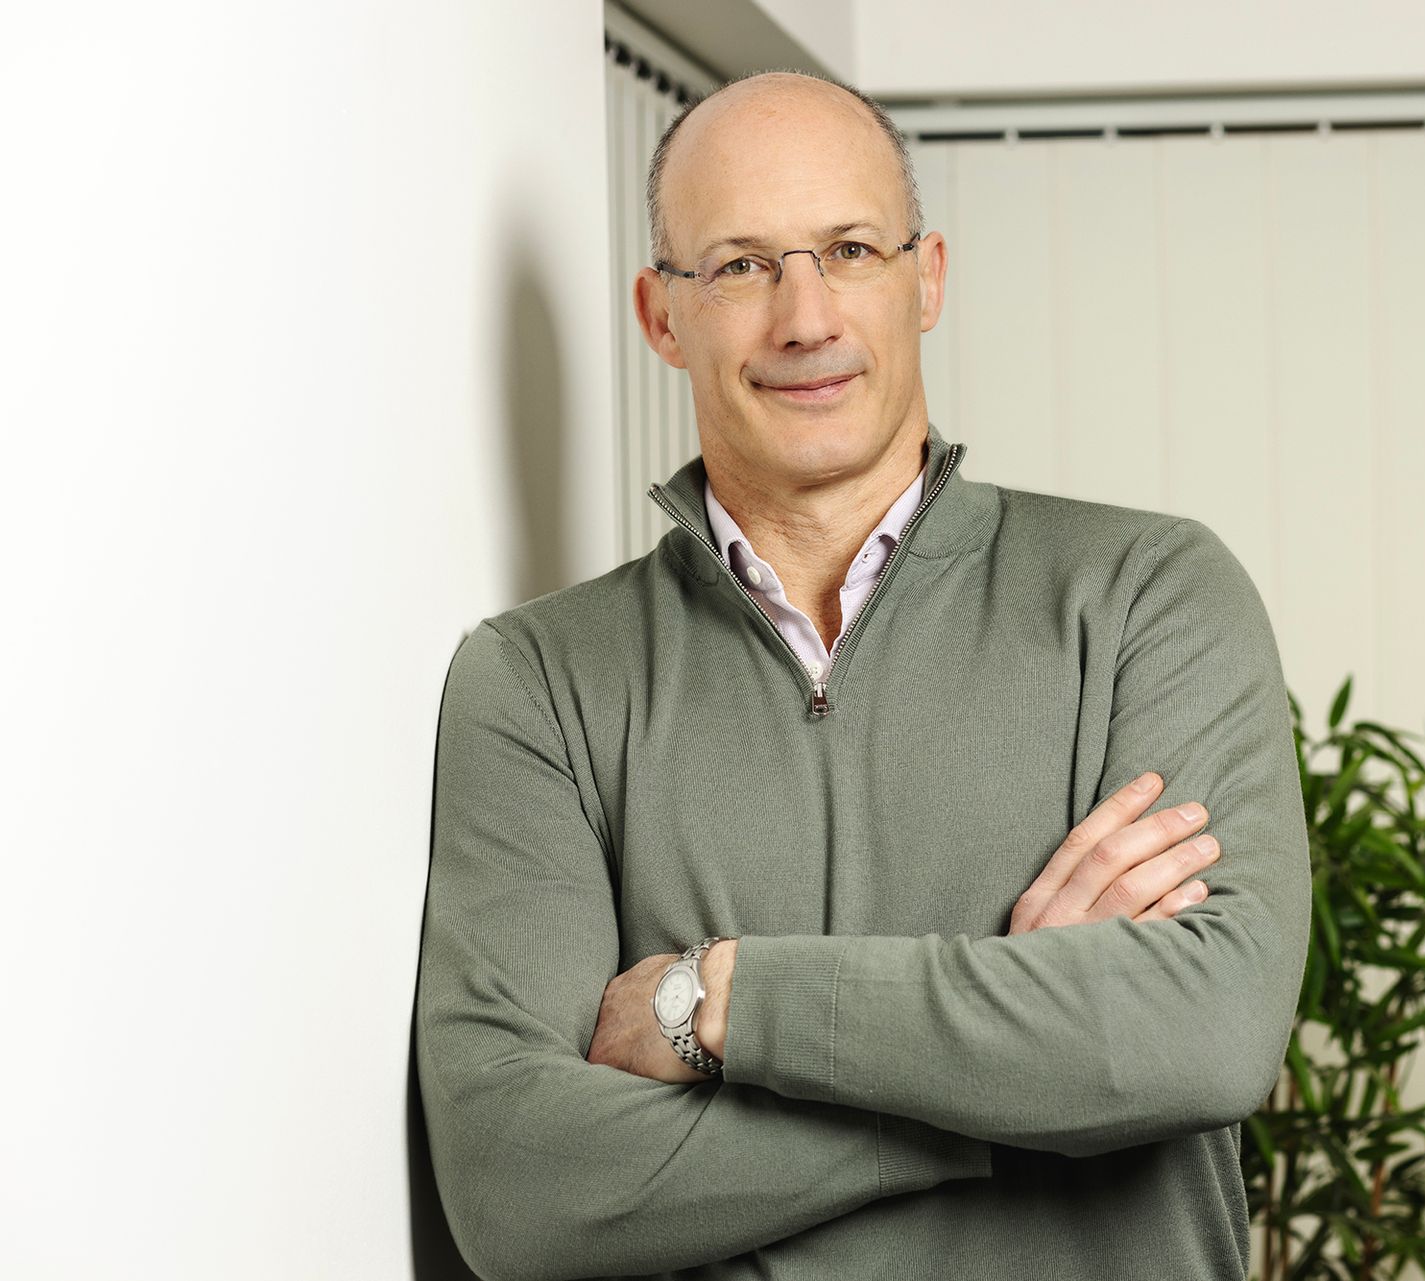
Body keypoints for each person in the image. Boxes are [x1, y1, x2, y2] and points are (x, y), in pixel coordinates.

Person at [415, 67, 1311, 1281]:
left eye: (848, 250)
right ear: (661, 315)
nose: (806, 318)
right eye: (741, 265)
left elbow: (1207, 1034)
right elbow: (520, 1186)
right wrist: (1016, 1076)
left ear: (925, 278)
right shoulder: (539, 684)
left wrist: (723, 1001)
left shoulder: (1149, 595)